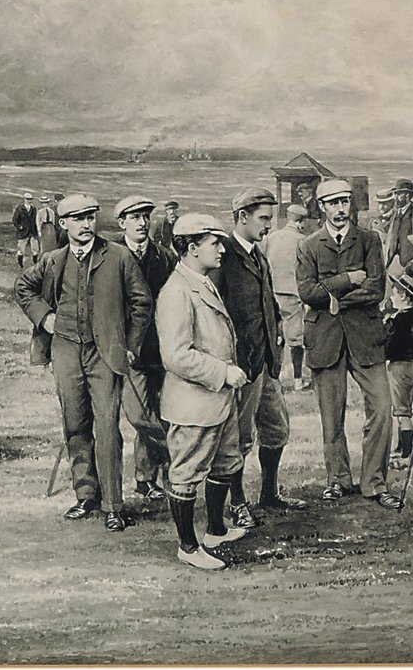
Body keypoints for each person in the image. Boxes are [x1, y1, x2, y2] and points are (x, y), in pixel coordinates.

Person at [14, 194, 152, 532]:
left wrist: (130, 345)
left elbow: (142, 302)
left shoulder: (118, 256)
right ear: (63, 224)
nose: (87, 224)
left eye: (91, 217)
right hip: (65, 351)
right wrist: (44, 317)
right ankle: (86, 495)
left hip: (104, 354)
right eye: (78, 219)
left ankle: (113, 505)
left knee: (107, 427)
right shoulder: (53, 260)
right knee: (75, 424)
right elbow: (23, 287)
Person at [296, 179, 401, 509]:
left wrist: (334, 298)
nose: (341, 209)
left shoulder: (369, 240)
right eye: (333, 203)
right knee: (331, 416)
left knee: (382, 409)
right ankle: (337, 480)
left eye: (345, 202)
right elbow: (307, 292)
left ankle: (375, 482)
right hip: (325, 339)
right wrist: (348, 280)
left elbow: (376, 288)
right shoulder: (309, 246)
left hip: (366, 338)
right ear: (322, 207)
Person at [155, 213, 248, 571]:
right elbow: (175, 356)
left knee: (226, 463)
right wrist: (223, 372)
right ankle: (188, 547)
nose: (222, 249)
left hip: (217, 400)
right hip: (193, 404)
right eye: (214, 243)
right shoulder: (176, 291)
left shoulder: (201, 281)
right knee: (186, 473)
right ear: (192, 248)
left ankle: (215, 531)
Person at [213, 188, 306, 524]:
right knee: (239, 439)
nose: (269, 225)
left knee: (277, 428)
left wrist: (276, 329)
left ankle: (269, 494)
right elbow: (213, 311)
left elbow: (269, 303)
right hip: (240, 364)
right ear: (242, 217)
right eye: (263, 218)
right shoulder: (222, 256)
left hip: (266, 361)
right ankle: (237, 503)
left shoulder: (258, 254)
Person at [114, 195, 178, 500]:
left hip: (161, 348)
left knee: (161, 412)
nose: (142, 223)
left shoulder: (166, 258)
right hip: (127, 351)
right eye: (134, 217)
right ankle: (173, 459)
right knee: (139, 414)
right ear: (121, 222)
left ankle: (145, 479)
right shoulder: (110, 256)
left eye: (145, 217)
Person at [261, 204, 312, 389]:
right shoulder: (302, 240)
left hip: (272, 292)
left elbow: (263, 263)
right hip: (292, 293)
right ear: (301, 222)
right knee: (296, 338)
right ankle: (298, 380)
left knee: (276, 335)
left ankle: (276, 377)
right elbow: (307, 269)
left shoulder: (272, 237)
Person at [384, 273, 413, 461]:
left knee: (401, 411)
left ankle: (407, 451)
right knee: (406, 406)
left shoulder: (398, 321)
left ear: (403, 296)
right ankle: (402, 446)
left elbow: (390, 347)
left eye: (394, 294)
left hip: (399, 367)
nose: (391, 297)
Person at [384, 179, 413, 270]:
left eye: (398, 194)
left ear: (407, 195)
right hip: (393, 264)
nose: (395, 197)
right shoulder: (394, 215)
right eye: (395, 194)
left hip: (411, 266)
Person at [12, 192, 39, 269]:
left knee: (35, 249)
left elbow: (35, 220)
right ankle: (20, 265)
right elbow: (15, 220)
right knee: (21, 249)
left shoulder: (33, 209)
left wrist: (37, 230)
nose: (29, 201)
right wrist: (19, 227)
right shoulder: (20, 209)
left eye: (30, 199)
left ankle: (35, 263)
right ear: (24, 199)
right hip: (23, 232)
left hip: (32, 231)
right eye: (27, 199)